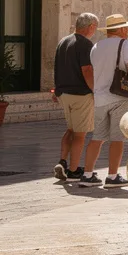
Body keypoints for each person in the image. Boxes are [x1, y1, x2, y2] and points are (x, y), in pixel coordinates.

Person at [81, 14, 128, 188]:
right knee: (117, 138)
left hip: (100, 98)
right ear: (121, 29)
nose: (127, 31)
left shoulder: (96, 47)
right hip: (120, 96)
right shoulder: (126, 44)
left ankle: (87, 174)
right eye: (126, 28)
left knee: (97, 137)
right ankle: (113, 176)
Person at [51, 13, 99, 183]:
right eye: (95, 27)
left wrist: (56, 89)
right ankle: (73, 171)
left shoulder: (63, 42)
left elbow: (56, 67)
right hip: (81, 94)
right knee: (80, 134)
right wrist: (96, 90)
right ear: (91, 26)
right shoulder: (85, 45)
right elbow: (87, 70)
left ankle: (63, 161)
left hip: (64, 93)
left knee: (71, 129)